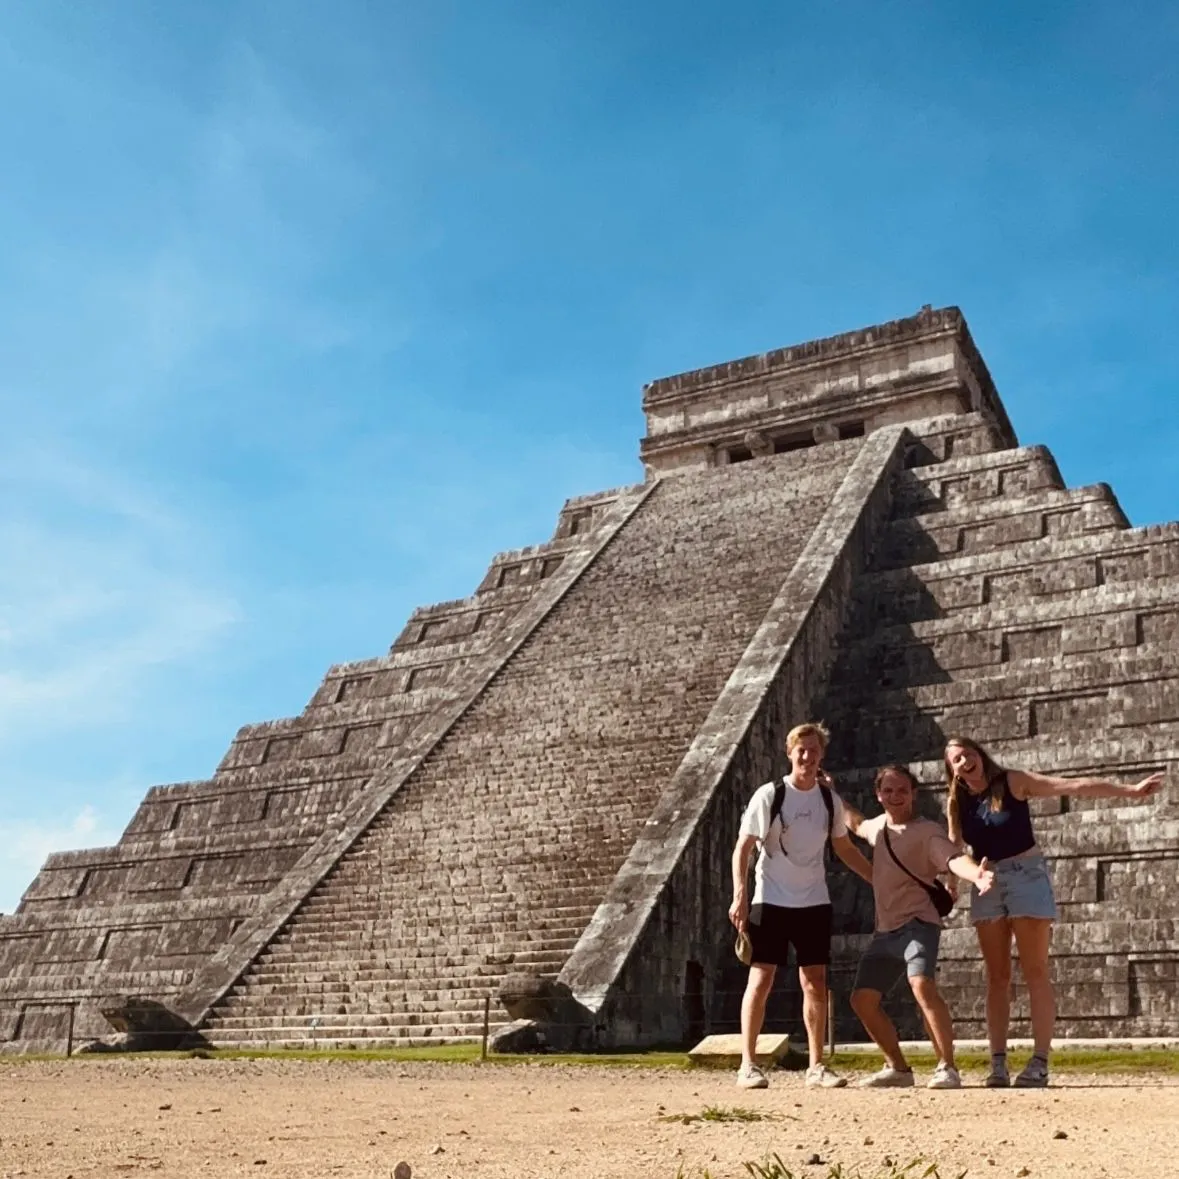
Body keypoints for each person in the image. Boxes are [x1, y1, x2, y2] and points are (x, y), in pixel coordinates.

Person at [944, 735, 1165, 1088]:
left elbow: (1073, 785)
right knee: (996, 977)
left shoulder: (1012, 782)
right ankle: (997, 1064)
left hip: (1025, 874)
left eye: (968, 753)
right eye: (956, 759)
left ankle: (1040, 1061)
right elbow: (956, 850)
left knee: (1035, 970)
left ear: (979, 754)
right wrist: (956, 883)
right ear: (951, 771)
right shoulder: (956, 803)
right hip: (987, 882)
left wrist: (1130, 790)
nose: (965, 761)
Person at [728, 722, 874, 1090]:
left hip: (813, 900)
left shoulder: (829, 800)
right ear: (790, 753)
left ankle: (816, 1065)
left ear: (822, 754)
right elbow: (743, 848)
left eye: (813, 750)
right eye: (801, 750)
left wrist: (877, 880)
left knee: (815, 981)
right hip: (771, 898)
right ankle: (748, 1063)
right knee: (761, 978)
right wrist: (740, 894)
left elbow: (843, 848)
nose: (807, 757)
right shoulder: (770, 795)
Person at [842, 764, 995, 1089]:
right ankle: (898, 1068)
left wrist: (976, 875)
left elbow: (952, 858)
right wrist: (826, 790)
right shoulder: (878, 827)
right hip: (885, 931)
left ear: (914, 794)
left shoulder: (927, 832)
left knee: (922, 985)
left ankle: (947, 1066)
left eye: (902, 790)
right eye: (888, 790)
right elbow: (855, 823)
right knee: (862, 1000)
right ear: (878, 795)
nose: (895, 796)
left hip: (918, 924)